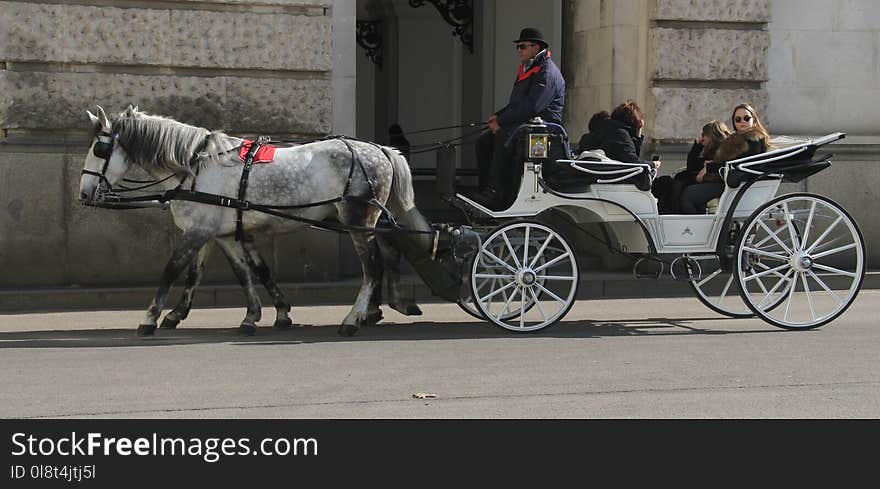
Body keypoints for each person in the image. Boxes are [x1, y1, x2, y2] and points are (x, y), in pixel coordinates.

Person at [472, 27, 565, 208]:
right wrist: (497, 116)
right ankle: (486, 189)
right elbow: (516, 104)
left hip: (543, 129)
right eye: (518, 47)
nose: (519, 50)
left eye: (522, 47)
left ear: (536, 48)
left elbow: (533, 107)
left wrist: (502, 122)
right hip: (525, 125)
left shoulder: (546, 72)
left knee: (502, 136)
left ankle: (497, 195)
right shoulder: (529, 69)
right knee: (483, 141)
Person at [680, 104, 770, 214]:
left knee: (688, 194)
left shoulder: (754, 140)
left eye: (746, 118)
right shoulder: (733, 139)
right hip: (726, 180)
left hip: (737, 185)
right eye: (738, 119)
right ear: (734, 122)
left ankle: (696, 228)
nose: (742, 121)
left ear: (754, 120)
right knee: (684, 185)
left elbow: (740, 163)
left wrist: (710, 167)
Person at [653, 120, 731, 213]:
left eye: (704, 135)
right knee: (669, 183)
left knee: (681, 189)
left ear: (712, 136)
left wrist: (706, 171)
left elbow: (717, 170)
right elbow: (692, 166)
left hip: (714, 183)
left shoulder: (723, 150)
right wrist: (697, 147)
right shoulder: (709, 150)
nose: (702, 138)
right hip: (701, 180)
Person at [578, 100, 660, 169]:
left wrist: (637, 135)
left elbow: (630, 154)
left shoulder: (605, 129)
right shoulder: (620, 133)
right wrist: (652, 164)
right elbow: (632, 161)